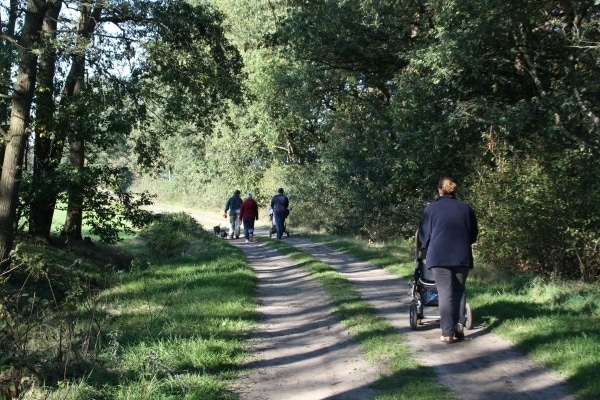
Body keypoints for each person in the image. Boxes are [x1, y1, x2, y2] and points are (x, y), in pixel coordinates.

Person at [418, 177, 478, 344]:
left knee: (445, 293)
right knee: (459, 290)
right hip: (462, 256)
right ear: (453, 191)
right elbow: (473, 233)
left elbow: (424, 235)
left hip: (439, 256)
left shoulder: (431, 208)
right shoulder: (466, 208)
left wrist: (424, 248)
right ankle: (459, 324)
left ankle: (447, 333)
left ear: (440, 190)